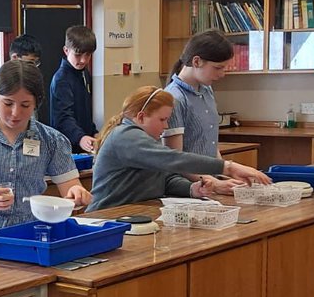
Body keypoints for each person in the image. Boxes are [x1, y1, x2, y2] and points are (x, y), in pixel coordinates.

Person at [0, 60, 90, 239]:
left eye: (25, 105)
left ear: (36, 103)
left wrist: (77, 195)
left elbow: (71, 189)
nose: (15, 113)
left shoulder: (52, 140)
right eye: (8, 103)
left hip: (29, 231)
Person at [87, 86, 269, 211]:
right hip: (107, 217)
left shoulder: (146, 138)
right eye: (162, 119)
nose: (166, 126)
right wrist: (228, 167)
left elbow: (162, 177)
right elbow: (173, 159)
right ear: (141, 117)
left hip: (132, 215)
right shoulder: (125, 136)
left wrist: (192, 189)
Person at [163, 29, 234, 157]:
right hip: (188, 176)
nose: (222, 74)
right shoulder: (174, 98)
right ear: (196, 62)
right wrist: (208, 178)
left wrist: (224, 172)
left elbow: (211, 145)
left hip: (210, 175)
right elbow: (175, 160)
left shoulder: (207, 91)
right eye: (218, 68)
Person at [49, 25, 99, 154]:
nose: (83, 60)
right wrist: (80, 137)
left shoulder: (84, 73)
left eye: (88, 55)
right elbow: (62, 117)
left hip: (83, 143)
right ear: (66, 50)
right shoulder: (61, 79)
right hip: (66, 148)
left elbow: (85, 113)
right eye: (78, 54)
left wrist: (94, 132)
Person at [0, 33, 43, 121]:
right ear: (14, 57)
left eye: (36, 63)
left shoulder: (33, 80)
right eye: (30, 62)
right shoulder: (4, 81)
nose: (34, 67)